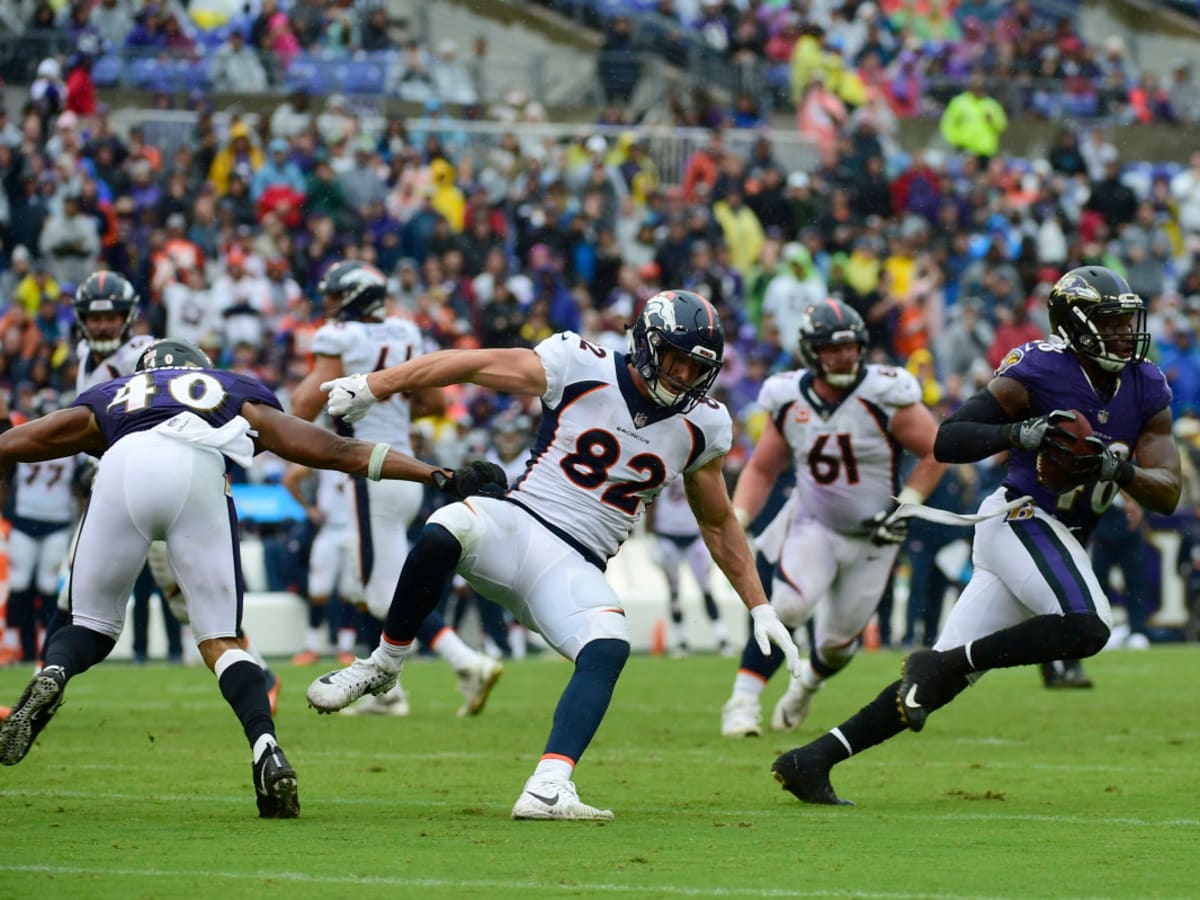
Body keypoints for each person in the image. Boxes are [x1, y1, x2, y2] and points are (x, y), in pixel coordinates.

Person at [308, 289, 802, 820]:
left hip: (574, 567)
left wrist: (760, 606)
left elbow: (718, 520)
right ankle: (384, 663)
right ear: (645, 343)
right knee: (445, 526)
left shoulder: (704, 425)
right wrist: (372, 386)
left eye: (695, 366)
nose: (682, 375)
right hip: (517, 525)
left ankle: (548, 786)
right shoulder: (576, 362)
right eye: (675, 358)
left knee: (610, 644)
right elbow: (470, 365)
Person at [0, 338, 507, 818]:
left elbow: (30, 439)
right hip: (195, 469)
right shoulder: (225, 387)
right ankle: (267, 749)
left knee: (89, 626)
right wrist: (437, 475)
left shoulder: (116, 395)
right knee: (221, 639)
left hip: (121, 466)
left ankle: (54, 675)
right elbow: (332, 450)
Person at [771, 267, 1181, 805]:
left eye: (1129, 320)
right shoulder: (1038, 369)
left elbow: (1169, 491)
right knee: (1089, 625)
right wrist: (1017, 433)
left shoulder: (1146, 384)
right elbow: (947, 439)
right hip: (1020, 518)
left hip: (1056, 536)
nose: (1127, 332)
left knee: (934, 684)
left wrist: (1117, 470)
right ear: (1076, 326)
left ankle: (812, 759)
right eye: (1112, 321)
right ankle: (939, 662)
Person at [719, 300, 945, 738]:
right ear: (810, 351)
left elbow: (936, 449)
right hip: (814, 522)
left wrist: (908, 503)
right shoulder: (787, 397)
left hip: (875, 536)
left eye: (849, 347)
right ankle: (742, 702)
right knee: (787, 606)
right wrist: (740, 516)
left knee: (837, 647)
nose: (843, 356)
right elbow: (764, 467)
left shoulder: (886, 393)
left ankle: (806, 686)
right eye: (831, 348)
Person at [290, 260, 503, 717]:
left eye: (334, 296)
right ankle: (388, 695)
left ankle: (467, 662)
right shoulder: (405, 333)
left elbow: (304, 402)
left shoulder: (338, 337)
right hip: (407, 467)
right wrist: (392, 411)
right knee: (368, 584)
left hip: (370, 472)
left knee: (385, 592)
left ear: (353, 297)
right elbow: (433, 400)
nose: (327, 304)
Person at [283, 463, 363, 669]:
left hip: (355, 532)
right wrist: (309, 508)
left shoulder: (361, 456)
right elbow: (290, 478)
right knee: (318, 591)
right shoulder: (327, 457)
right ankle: (312, 648)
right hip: (329, 530)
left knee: (350, 592)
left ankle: (346, 648)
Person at [647, 475, 733, 657]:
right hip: (667, 535)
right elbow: (651, 499)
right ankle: (681, 640)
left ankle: (722, 637)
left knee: (706, 589)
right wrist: (651, 532)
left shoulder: (694, 465)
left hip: (694, 536)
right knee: (674, 592)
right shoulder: (664, 467)